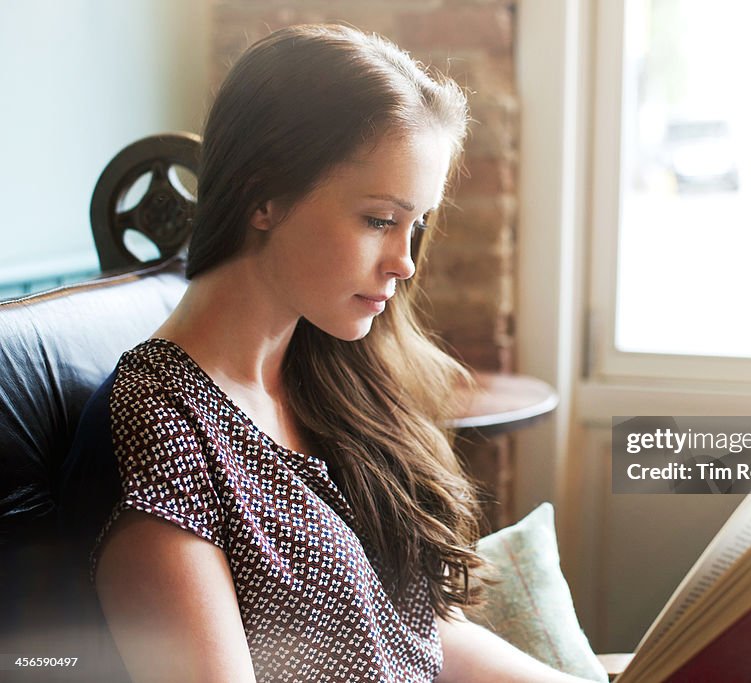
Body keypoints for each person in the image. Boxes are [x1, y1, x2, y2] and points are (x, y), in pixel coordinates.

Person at [72, 24, 593, 683]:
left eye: (417, 225)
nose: (404, 261)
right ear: (264, 196)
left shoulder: (331, 379)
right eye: (380, 219)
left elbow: (420, 633)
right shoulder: (160, 422)